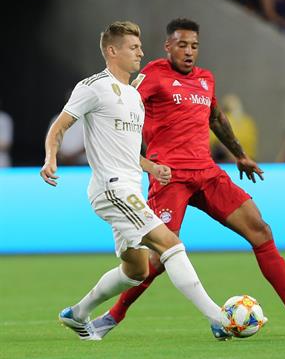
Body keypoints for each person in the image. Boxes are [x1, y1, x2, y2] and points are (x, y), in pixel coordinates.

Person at [92, 18, 285, 337]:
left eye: (194, 45)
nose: (189, 51)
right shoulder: (152, 75)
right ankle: (111, 318)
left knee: (260, 230)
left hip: (207, 173)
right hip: (171, 178)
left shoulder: (205, 79)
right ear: (168, 46)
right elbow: (122, 107)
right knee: (158, 258)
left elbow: (216, 118)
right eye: (182, 44)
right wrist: (134, 157)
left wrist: (240, 154)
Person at [40, 21, 234, 341]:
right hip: (111, 188)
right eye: (133, 47)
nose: (141, 52)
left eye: (140, 47)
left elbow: (126, 148)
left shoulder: (133, 95)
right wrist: (51, 157)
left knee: (137, 271)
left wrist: (151, 167)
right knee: (169, 244)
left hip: (132, 187)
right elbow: (59, 126)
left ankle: (77, 313)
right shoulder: (92, 87)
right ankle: (218, 317)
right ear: (112, 51)